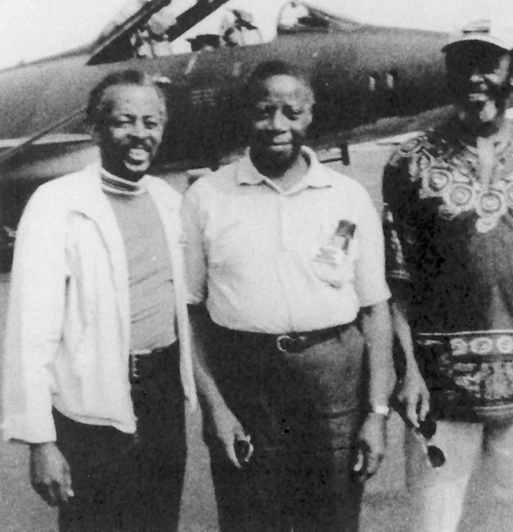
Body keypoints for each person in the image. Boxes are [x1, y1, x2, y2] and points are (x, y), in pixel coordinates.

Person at [182, 60, 394, 532]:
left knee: (334, 520)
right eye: (263, 111)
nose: (277, 125)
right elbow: (190, 313)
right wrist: (216, 408)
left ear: (311, 115)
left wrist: (377, 412)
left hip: (334, 386)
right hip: (246, 383)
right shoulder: (206, 197)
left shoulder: (348, 196)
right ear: (244, 115)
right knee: (249, 520)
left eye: (291, 111)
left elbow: (375, 309)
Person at [382, 18, 513, 532]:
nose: (475, 77)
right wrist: (407, 371)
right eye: (463, 64)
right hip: (439, 381)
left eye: (488, 63)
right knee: (431, 522)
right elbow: (396, 279)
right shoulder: (409, 162)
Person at [1, 69, 197, 532]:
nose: (139, 135)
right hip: (90, 410)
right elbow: (31, 332)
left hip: (162, 398)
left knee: (157, 523)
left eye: (151, 123)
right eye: (124, 121)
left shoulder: (168, 201)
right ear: (95, 128)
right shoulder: (57, 204)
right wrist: (40, 442)